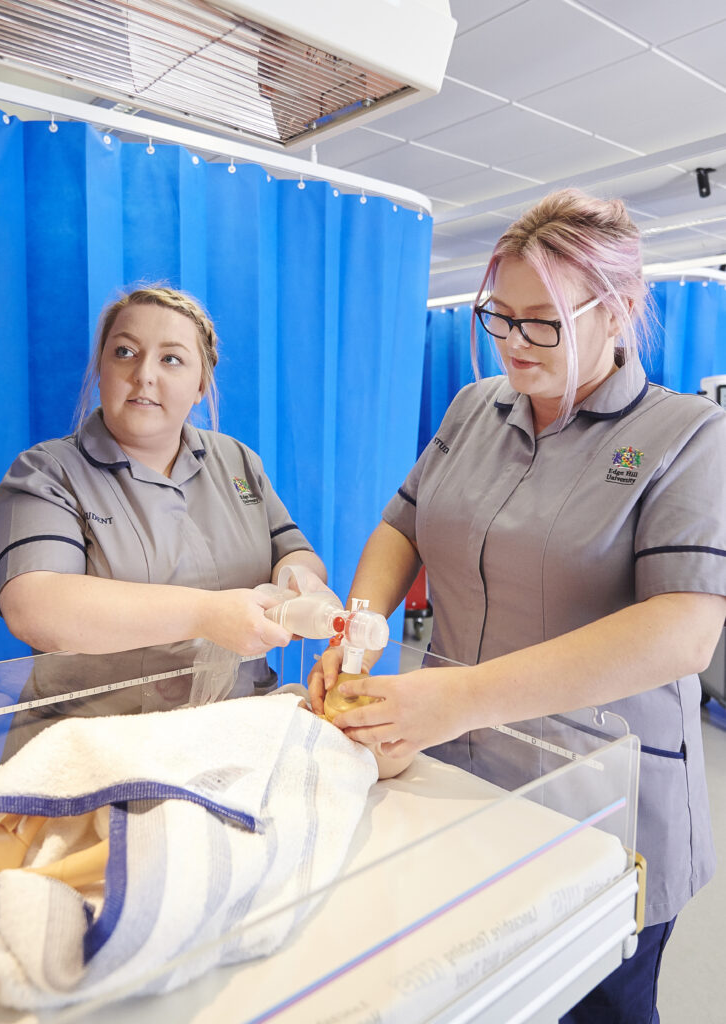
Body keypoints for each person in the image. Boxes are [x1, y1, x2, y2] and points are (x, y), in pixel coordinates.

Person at [308, 189, 726, 1023]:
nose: (514, 344)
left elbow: (683, 630)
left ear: (620, 312)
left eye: (544, 323)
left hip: (611, 803)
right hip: (460, 776)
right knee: (485, 990)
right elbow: (403, 524)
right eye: (499, 317)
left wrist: (452, 697)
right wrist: (357, 637)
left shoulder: (686, 437)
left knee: (595, 1002)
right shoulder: (475, 410)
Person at [0, 285, 326, 749]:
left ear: (201, 385)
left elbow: (293, 551)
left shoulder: (237, 462)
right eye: (125, 352)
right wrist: (205, 614)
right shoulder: (47, 473)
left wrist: (299, 583)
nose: (144, 374)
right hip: (94, 748)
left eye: (171, 359)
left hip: (238, 735)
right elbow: (34, 606)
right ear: (102, 369)